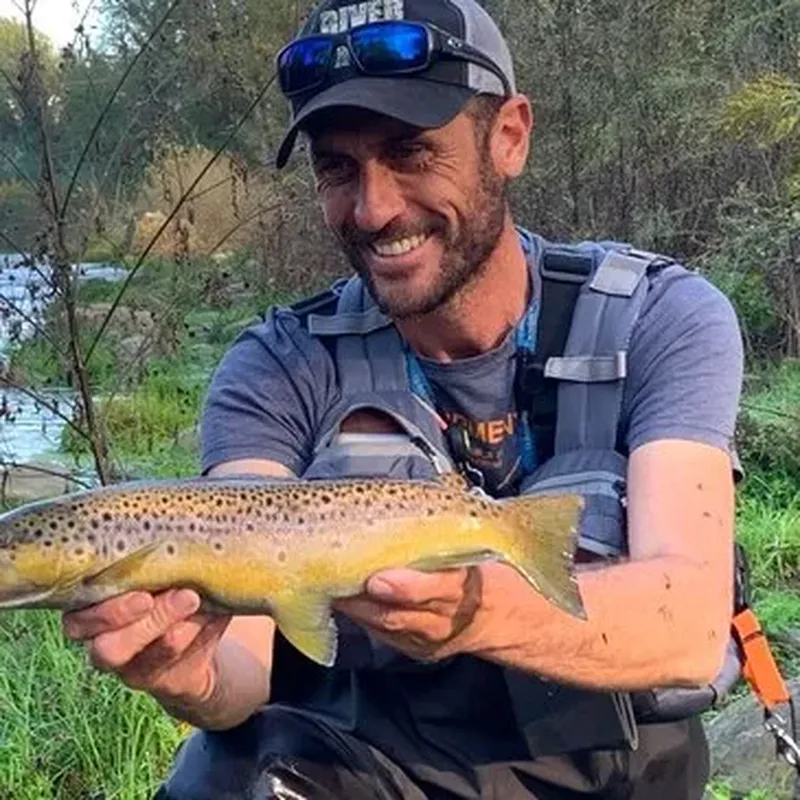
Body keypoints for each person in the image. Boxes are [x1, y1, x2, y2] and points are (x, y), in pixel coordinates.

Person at [62, 0, 746, 797]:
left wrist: (479, 609)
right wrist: (191, 677)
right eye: (337, 168)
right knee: (216, 774)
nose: (375, 208)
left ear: (510, 136)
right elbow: (244, 659)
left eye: (411, 152)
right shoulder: (278, 365)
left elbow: (690, 626)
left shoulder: (657, 316)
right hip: (369, 765)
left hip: (614, 767)